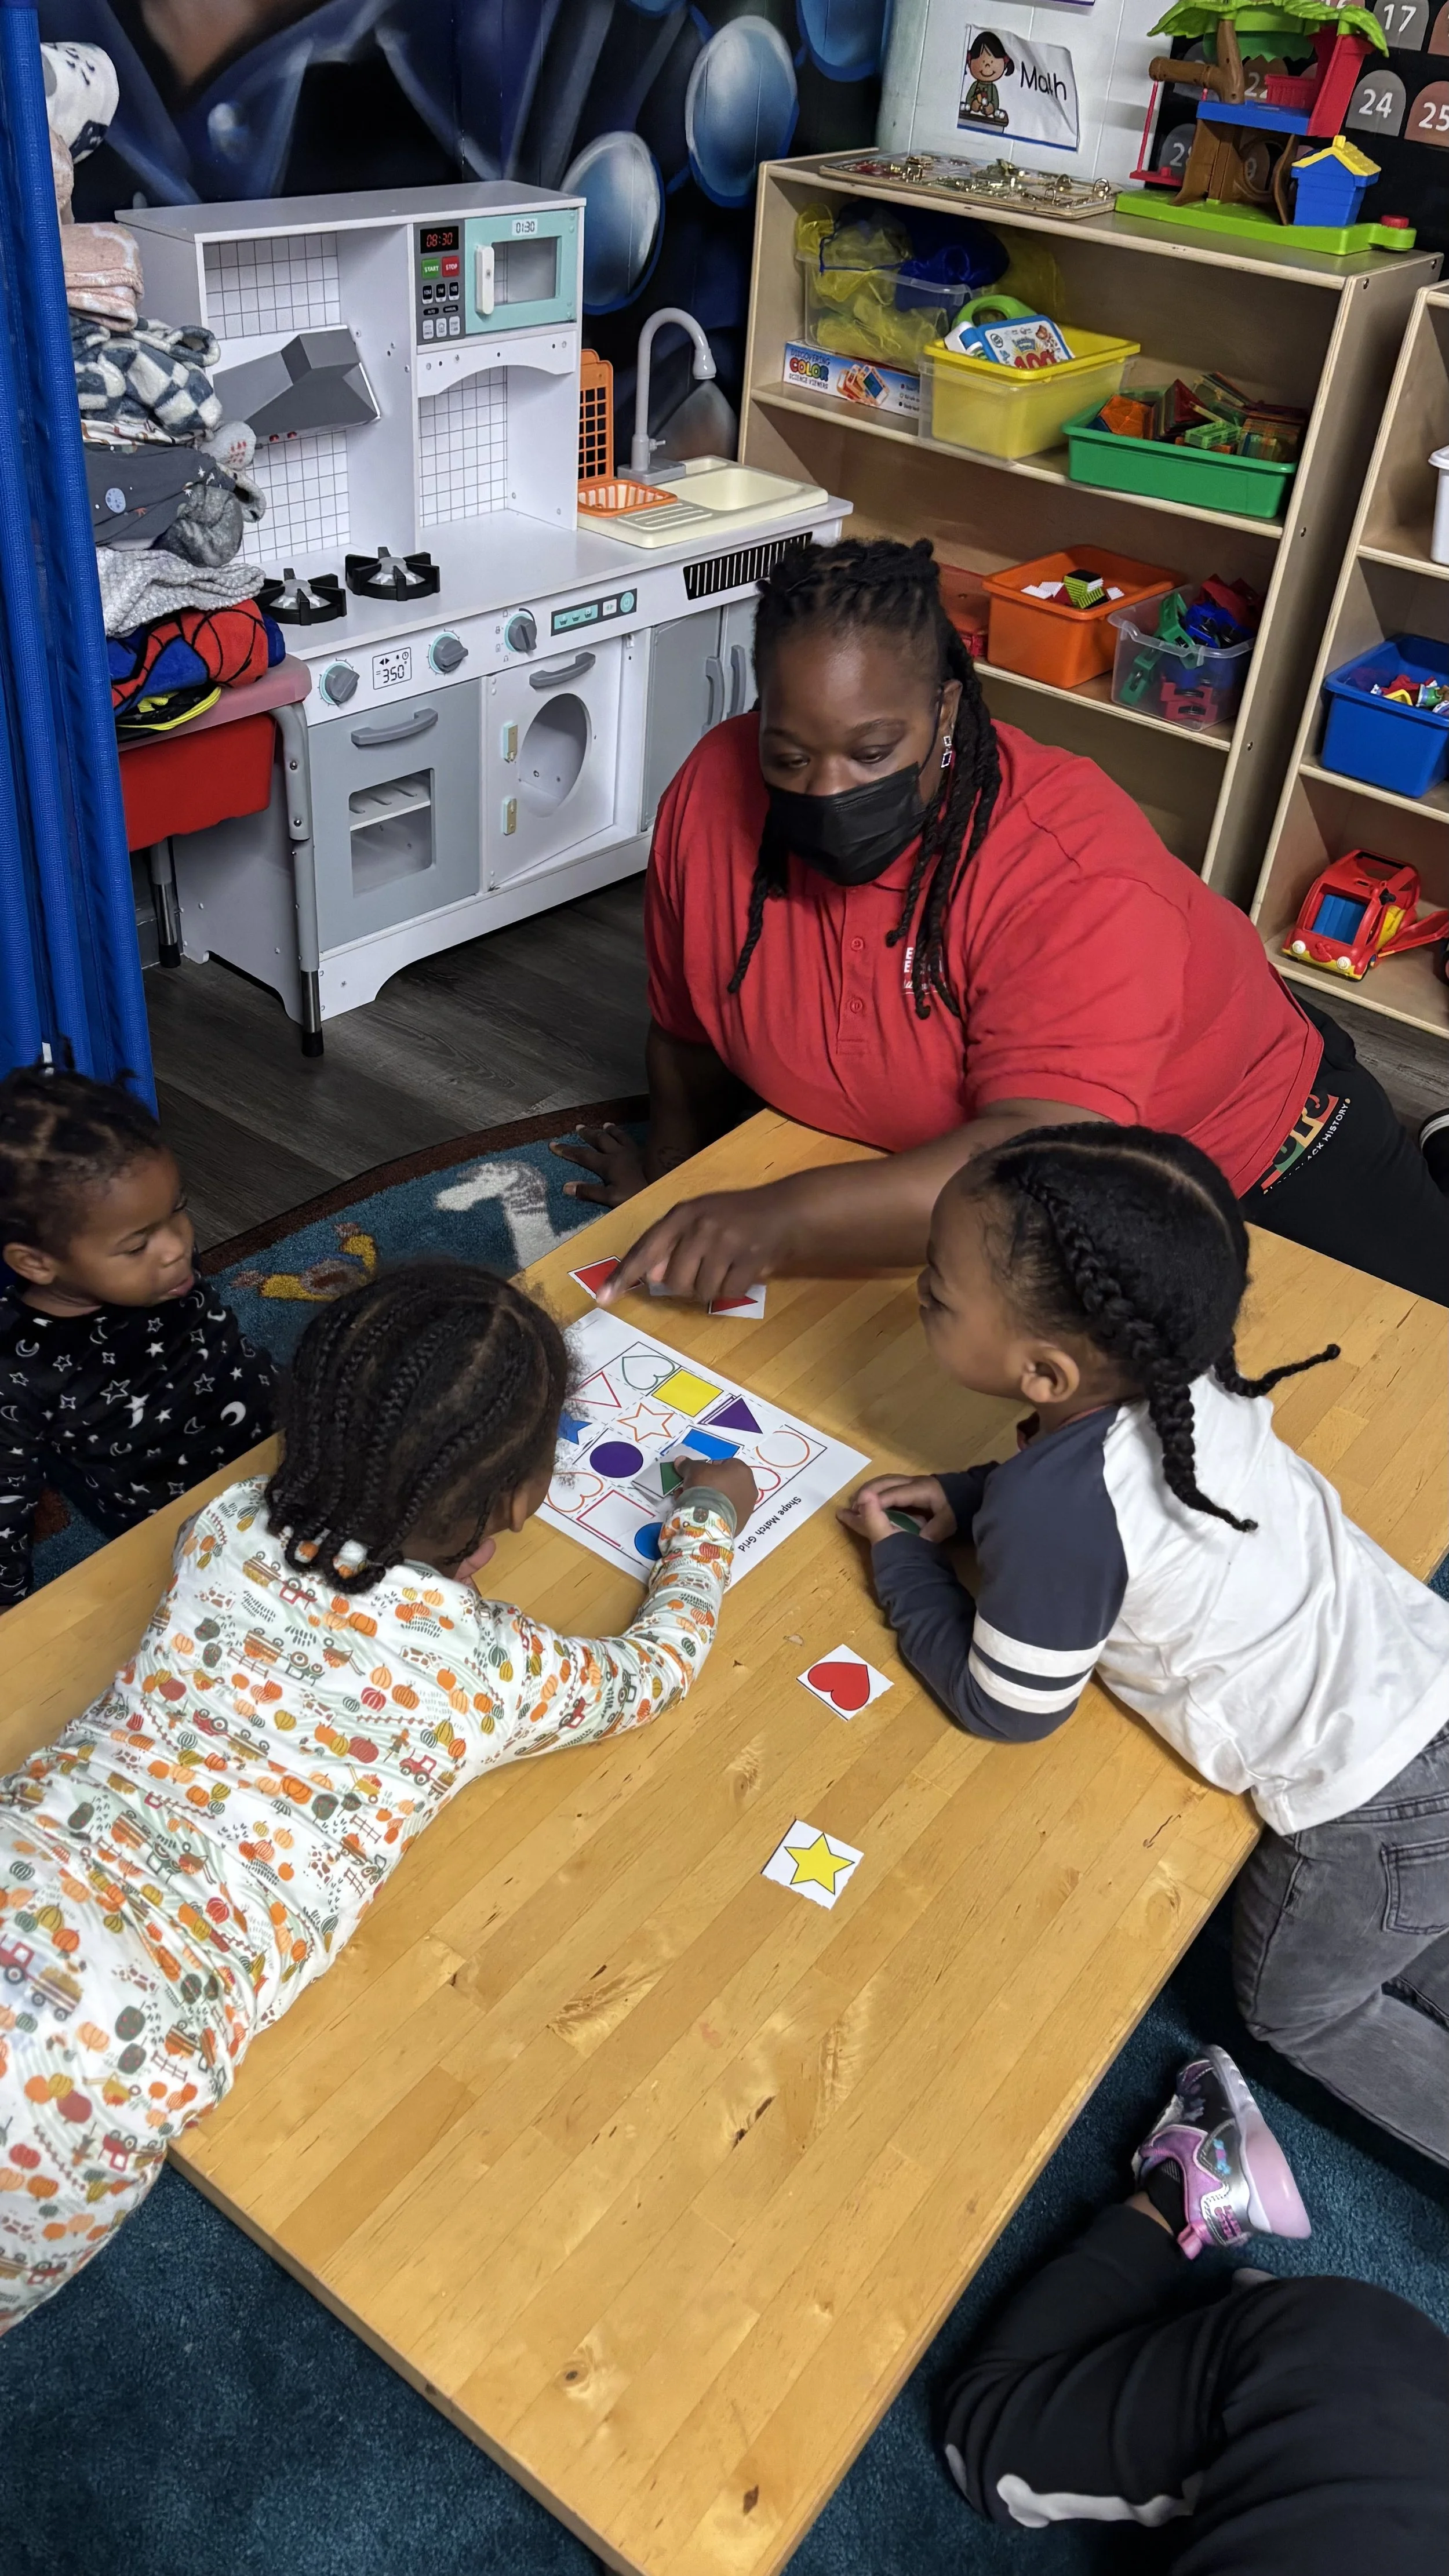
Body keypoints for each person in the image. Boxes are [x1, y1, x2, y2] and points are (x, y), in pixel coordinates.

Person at [0, 1261, 755, 2328]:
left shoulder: (223, 1523)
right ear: (523, 1499)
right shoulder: (484, 1665)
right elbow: (656, 1671)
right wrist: (707, 1527)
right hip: (118, 2043)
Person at [555, 539, 1449, 1308]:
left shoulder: (1071, 866)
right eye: (788, 754)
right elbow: (684, 1036)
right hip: (967, 1194)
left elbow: (1039, 1161)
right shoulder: (711, 795)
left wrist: (784, 1216)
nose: (825, 789)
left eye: (873, 753)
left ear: (945, 711)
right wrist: (671, 1187)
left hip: (1259, 1152)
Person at [839, 1125, 1449, 2164]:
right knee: (1421, 1900)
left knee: (1300, 2004)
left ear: (1044, 1370)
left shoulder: (1056, 1508)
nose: (917, 1295)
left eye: (936, 1295)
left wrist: (900, 1562)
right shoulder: (1188, 1371)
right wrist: (969, 1492)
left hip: (1363, 1799)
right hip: (1428, 1677)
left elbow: (1010, 1704)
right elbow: (1122, 1511)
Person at [941, 2045, 1449, 2567]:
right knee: (986, 2444)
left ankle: (1255, 2336)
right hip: (1308, 2392)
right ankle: (1185, 2189)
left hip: (1403, 2365)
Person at [0, 1064, 275, 1610]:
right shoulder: (18, 1372)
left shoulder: (164, 1270)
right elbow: (6, 1505)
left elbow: (223, 1346)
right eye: (136, 1245)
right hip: (184, 1524)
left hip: (282, 1438)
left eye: (177, 1210)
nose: (176, 1247)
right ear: (35, 1262)